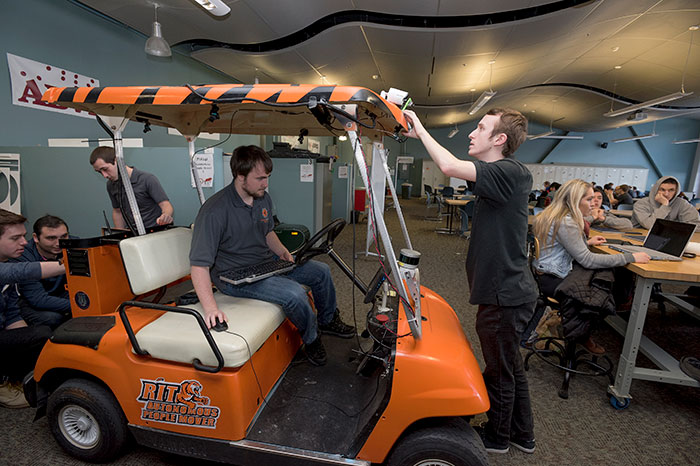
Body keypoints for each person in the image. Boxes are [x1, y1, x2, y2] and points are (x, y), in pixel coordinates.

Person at [403, 108, 537, 455]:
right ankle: (523, 435)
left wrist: (420, 130)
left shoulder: (507, 170)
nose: (471, 134)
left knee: (499, 370)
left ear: (500, 139)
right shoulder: (501, 174)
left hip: (504, 294)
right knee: (509, 367)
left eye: (480, 128)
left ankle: (498, 437)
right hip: (507, 290)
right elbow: (459, 169)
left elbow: (448, 166)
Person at [189, 145, 354, 366]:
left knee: (321, 271)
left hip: (266, 263)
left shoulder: (262, 198)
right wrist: (210, 309)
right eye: (260, 178)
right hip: (235, 277)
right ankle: (312, 340)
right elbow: (199, 265)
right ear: (240, 176)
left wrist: (283, 252)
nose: (266, 184)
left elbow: (267, 231)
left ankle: (327, 320)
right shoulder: (214, 211)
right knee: (294, 294)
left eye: (267, 177)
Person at [532, 180, 649, 353]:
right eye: (588, 199)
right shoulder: (567, 222)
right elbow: (587, 260)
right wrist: (630, 257)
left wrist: (585, 242)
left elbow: (557, 246)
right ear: (574, 200)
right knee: (605, 279)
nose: (593, 203)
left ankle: (581, 329)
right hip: (555, 279)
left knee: (603, 273)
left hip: (546, 273)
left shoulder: (552, 215)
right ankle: (582, 332)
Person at [0, 209, 65, 408]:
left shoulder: (8, 264)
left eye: (24, 236)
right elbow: (25, 271)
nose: (24, 242)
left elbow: (11, 315)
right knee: (43, 330)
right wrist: (73, 262)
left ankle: (14, 378)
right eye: (15, 238)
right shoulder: (11, 268)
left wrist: (29, 346)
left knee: (40, 337)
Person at [89, 146, 174, 230]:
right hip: (132, 233)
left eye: (105, 169)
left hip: (155, 231)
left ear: (117, 161)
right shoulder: (111, 185)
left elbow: (166, 205)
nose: (105, 175)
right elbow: (117, 211)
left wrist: (166, 216)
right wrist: (119, 235)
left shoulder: (147, 179)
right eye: (99, 172)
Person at [9, 215, 71, 329]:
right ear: (36, 238)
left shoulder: (73, 245)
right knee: (52, 318)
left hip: (59, 293)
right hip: (30, 300)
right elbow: (38, 300)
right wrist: (81, 305)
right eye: (51, 238)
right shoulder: (22, 256)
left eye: (64, 236)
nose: (59, 243)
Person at [632, 176, 700, 230]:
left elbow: (696, 225)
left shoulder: (681, 203)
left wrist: (671, 228)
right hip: (640, 238)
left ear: (676, 191)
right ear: (656, 190)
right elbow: (650, 226)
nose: (666, 194)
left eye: (671, 190)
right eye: (662, 190)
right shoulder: (641, 204)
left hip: (670, 237)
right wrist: (664, 205)